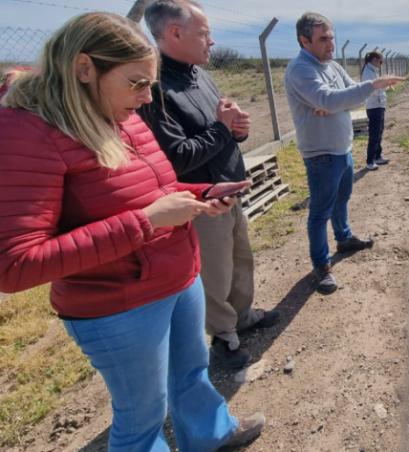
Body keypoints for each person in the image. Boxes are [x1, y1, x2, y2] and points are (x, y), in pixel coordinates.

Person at [0, 12, 263, 451]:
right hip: (119, 305)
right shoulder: (29, 131)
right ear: (85, 69)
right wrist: (146, 222)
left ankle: (211, 435)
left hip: (177, 278)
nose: (146, 99)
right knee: (143, 415)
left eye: (150, 85)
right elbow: (16, 265)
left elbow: (155, 188)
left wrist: (201, 191)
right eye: (137, 84)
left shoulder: (120, 113)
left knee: (192, 373)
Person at [139, 0, 279, 371]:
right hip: (202, 200)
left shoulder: (199, 75)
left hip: (231, 188)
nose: (211, 41)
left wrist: (238, 130)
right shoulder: (156, 89)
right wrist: (222, 128)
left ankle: (243, 316)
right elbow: (179, 158)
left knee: (239, 259)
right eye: (204, 33)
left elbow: (221, 132)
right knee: (214, 272)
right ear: (174, 33)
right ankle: (224, 337)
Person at [283, 12, 403, 294]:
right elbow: (334, 98)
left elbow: (347, 95)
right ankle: (321, 266)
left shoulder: (332, 66)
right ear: (304, 40)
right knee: (320, 211)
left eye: (332, 37)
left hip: (342, 147)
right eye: (323, 39)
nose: (331, 44)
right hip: (321, 153)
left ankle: (344, 238)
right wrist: (367, 87)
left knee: (342, 199)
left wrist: (338, 103)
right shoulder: (301, 69)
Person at [360, 51, 388, 171]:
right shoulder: (367, 72)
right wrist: (385, 84)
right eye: (380, 61)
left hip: (379, 105)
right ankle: (370, 161)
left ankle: (377, 156)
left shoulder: (372, 71)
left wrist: (384, 84)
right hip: (374, 106)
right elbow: (372, 88)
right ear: (374, 60)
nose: (381, 64)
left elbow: (378, 86)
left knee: (379, 132)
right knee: (374, 134)